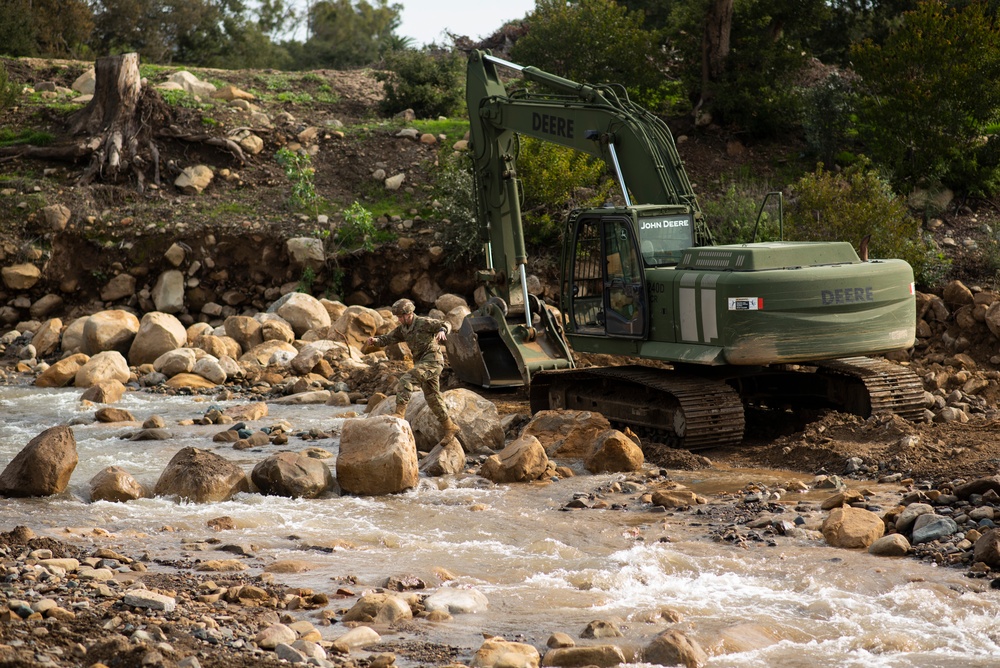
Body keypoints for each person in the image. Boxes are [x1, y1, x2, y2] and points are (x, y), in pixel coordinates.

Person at [366, 298, 460, 443]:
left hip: (433, 361)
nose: (399, 320)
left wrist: (442, 331)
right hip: (421, 363)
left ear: (408, 314)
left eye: (400, 317)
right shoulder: (403, 328)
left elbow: (445, 324)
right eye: (397, 317)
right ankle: (450, 427)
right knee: (432, 398)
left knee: (407, 379)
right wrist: (376, 341)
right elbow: (389, 338)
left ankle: (400, 413)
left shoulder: (423, 323)